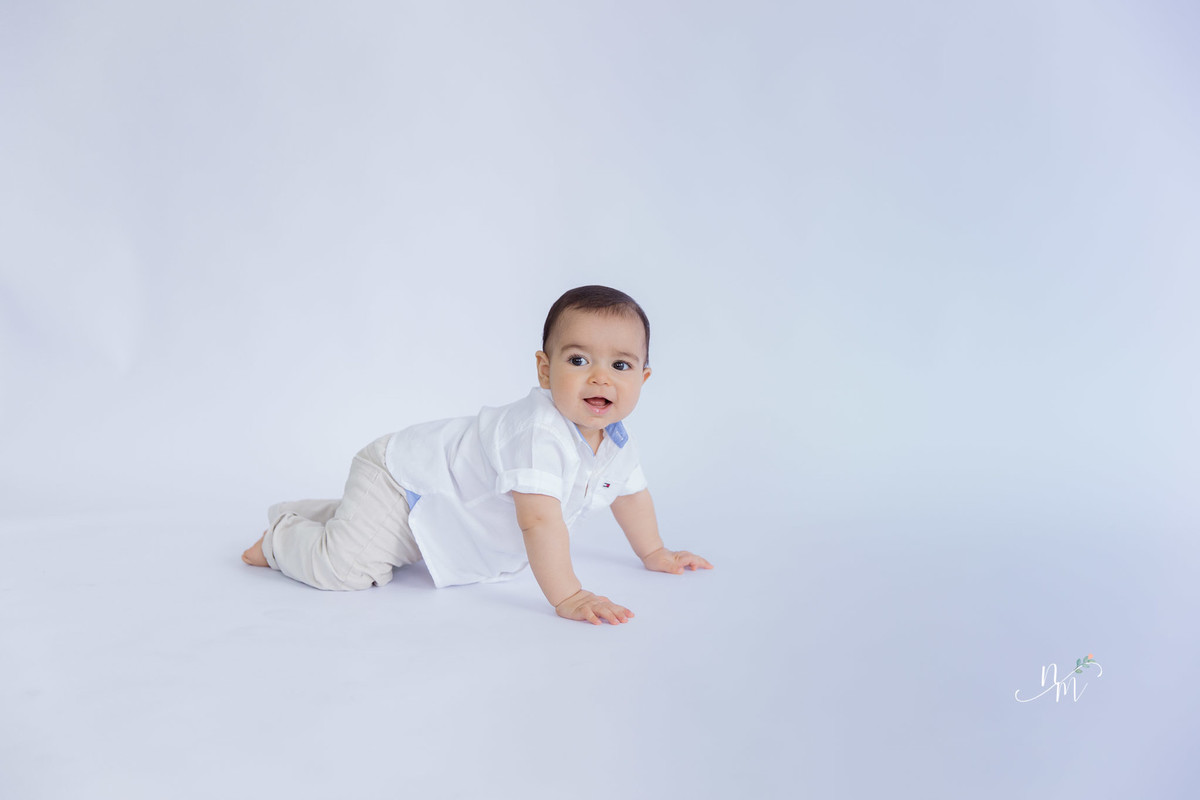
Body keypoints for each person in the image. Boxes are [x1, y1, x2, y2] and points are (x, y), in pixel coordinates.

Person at [242, 285, 712, 624]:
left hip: (439, 508)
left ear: (643, 379)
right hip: (401, 481)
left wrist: (653, 551)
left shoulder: (614, 440)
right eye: (578, 360)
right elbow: (540, 521)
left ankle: (341, 518)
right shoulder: (538, 432)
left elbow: (631, 494)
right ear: (545, 370)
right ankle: (281, 538)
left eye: (621, 365)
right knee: (345, 570)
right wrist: (568, 595)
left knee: (378, 542)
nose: (599, 377)